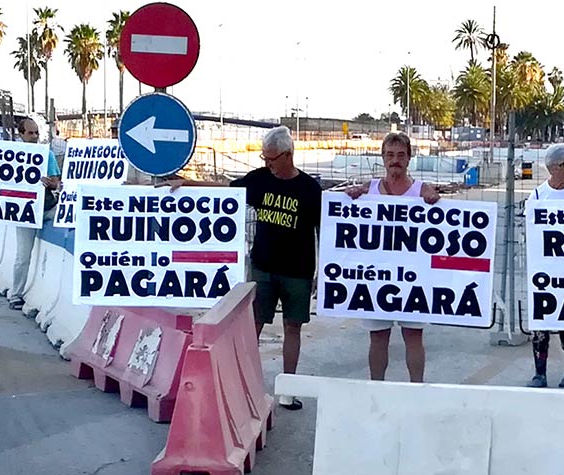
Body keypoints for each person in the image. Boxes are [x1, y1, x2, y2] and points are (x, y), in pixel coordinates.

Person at [165, 126, 321, 410]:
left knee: (293, 327)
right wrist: (187, 183)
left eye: (271, 159)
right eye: (265, 158)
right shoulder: (260, 179)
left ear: (288, 155)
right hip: (262, 267)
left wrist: (322, 274)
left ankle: (287, 388)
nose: (267, 164)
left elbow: (324, 231)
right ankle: (247, 386)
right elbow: (227, 191)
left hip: (297, 271)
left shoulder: (310, 190)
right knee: (253, 326)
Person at [345, 132, 440, 383]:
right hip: (377, 278)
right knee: (377, 337)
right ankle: (377, 388)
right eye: (389, 155)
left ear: (409, 158)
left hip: (413, 278)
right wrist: (352, 196)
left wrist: (434, 199)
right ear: (382, 158)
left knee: (413, 335)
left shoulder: (422, 192)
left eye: (400, 155)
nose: (394, 160)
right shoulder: (370, 189)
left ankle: (416, 390)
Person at [526, 143, 564, 388]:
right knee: (540, 323)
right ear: (551, 168)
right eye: (563, 164)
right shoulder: (539, 196)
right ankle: (539, 372)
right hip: (545, 270)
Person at [8, 118, 61, 309]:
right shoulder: (12, 156)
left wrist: (50, 182)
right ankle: (16, 295)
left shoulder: (47, 155)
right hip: (25, 212)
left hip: (47, 208)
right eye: (30, 133)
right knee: (23, 256)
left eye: (37, 133)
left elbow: (57, 183)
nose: (35, 136)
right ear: (21, 135)